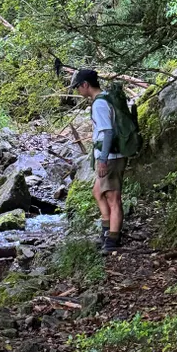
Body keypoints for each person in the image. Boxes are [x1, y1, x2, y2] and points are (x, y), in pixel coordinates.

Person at [71, 68, 126, 252]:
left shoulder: (99, 104)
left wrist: (102, 160)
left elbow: (108, 132)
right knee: (97, 191)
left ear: (85, 85)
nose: (78, 90)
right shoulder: (106, 97)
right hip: (110, 155)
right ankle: (106, 232)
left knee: (113, 198)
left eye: (78, 86)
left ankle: (112, 240)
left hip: (110, 157)